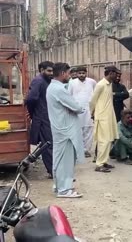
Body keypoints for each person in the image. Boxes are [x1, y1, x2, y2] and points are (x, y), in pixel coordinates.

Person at [46, 62, 85, 198]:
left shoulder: (54, 87)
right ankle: (64, 190)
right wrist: (81, 108)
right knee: (65, 161)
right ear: (63, 73)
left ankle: (60, 186)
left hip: (61, 129)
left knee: (60, 159)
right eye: (68, 73)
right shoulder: (58, 89)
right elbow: (76, 107)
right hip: (65, 130)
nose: (70, 76)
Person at [25, 61, 54, 178]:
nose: (51, 73)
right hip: (42, 117)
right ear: (41, 70)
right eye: (49, 71)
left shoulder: (47, 81)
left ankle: (53, 170)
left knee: (48, 143)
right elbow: (31, 99)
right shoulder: (38, 81)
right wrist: (34, 114)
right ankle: (53, 171)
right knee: (47, 145)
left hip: (47, 116)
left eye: (52, 71)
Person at [90, 65, 119, 173]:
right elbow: (93, 101)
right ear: (110, 73)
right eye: (115, 73)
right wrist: (92, 113)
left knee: (109, 139)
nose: (117, 75)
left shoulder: (109, 84)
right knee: (104, 141)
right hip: (102, 117)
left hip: (109, 116)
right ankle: (99, 164)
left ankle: (104, 161)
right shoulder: (100, 85)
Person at [68, 66, 96, 158]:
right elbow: (69, 96)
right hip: (77, 110)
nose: (81, 75)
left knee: (89, 129)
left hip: (89, 110)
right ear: (77, 74)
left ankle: (86, 150)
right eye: (79, 73)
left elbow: (95, 95)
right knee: (78, 130)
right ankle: (78, 149)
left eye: (83, 73)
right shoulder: (72, 83)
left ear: (86, 73)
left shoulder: (92, 82)